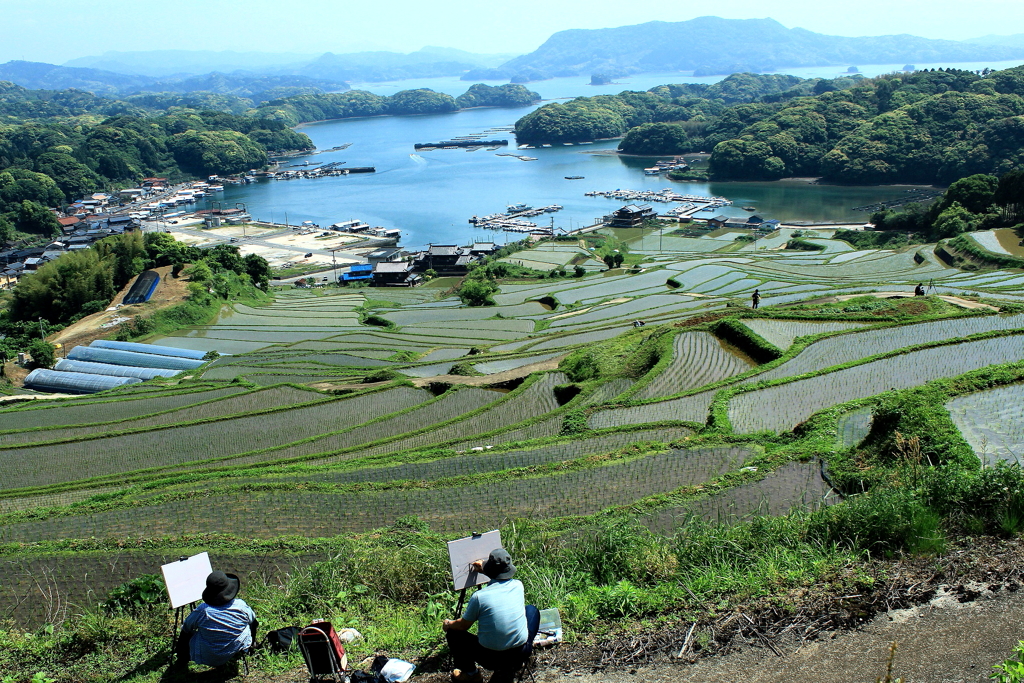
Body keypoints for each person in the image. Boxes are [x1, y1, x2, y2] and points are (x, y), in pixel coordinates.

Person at [443, 548, 527, 683]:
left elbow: (463, 626)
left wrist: (448, 624)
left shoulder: (479, 597)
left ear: (489, 570)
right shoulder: (518, 585)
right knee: (531, 611)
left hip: (491, 658)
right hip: (518, 653)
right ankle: (512, 667)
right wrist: (488, 571)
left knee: (453, 633)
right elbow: (500, 581)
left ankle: (471, 674)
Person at [176, 571, 258, 669]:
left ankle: (182, 658)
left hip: (208, 655)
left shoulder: (203, 610)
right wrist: (252, 639)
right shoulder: (241, 606)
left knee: (186, 632)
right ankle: (251, 646)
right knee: (251, 623)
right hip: (234, 649)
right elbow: (253, 621)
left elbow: (186, 628)